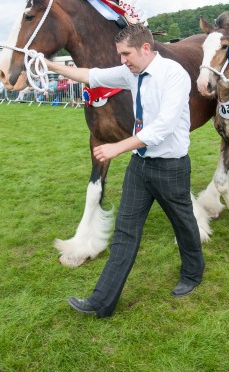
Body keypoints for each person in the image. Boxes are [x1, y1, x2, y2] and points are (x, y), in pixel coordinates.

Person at [45, 24, 205, 318]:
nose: (122, 60)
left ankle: (193, 273)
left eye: (126, 54)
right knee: (125, 232)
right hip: (139, 166)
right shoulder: (130, 72)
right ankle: (101, 301)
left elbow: (163, 127)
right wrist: (46, 63)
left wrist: (116, 147)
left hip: (171, 167)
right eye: (120, 55)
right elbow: (89, 75)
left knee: (183, 224)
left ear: (146, 48)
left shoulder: (174, 75)